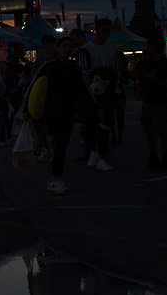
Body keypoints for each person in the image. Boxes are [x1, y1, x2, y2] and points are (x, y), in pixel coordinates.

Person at [34, 38, 95, 194]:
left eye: (70, 46)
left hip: (69, 112)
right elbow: (36, 87)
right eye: (64, 46)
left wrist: (94, 105)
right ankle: (56, 178)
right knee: (59, 145)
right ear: (57, 48)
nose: (68, 49)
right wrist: (28, 110)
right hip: (52, 112)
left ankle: (55, 178)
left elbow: (85, 90)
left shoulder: (76, 69)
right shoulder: (50, 67)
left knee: (60, 145)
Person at [77, 18, 122, 171]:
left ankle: (102, 155)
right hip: (90, 94)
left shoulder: (113, 50)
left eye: (109, 30)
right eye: (104, 30)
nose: (107, 33)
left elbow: (116, 72)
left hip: (107, 94)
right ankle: (94, 151)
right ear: (96, 30)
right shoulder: (86, 50)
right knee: (89, 125)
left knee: (105, 126)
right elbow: (83, 72)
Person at [135, 36, 167, 170]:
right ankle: (153, 154)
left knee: (161, 130)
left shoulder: (166, 64)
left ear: (156, 48)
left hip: (161, 101)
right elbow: (137, 79)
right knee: (148, 130)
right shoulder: (143, 64)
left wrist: (154, 79)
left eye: (149, 46)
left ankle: (165, 156)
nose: (147, 49)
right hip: (147, 101)